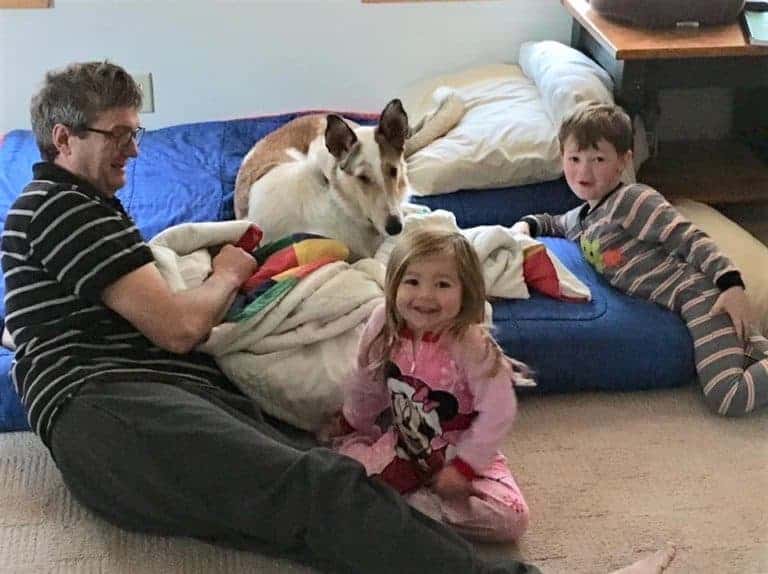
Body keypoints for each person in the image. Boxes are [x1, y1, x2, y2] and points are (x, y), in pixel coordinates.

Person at [0, 60, 675, 574]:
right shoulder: (60, 206)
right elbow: (178, 327)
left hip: (143, 402)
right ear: (63, 138)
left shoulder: (82, 208)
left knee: (323, 484)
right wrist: (233, 270)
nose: (135, 150)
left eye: (137, 133)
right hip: (111, 411)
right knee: (320, 487)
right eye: (119, 135)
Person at [511, 101, 768, 417]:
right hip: (678, 305)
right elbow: (552, 222)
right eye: (574, 158)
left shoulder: (631, 199)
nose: (583, 170)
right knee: (753, 350)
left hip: (700, 297)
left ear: (623, 162)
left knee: (728, 396)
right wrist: (524, 227)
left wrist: (731, 285)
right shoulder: (582, 216)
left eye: (598, 159)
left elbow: (689, 237)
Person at [323, 227, 533, 543]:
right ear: (394, 285)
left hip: (460, 455)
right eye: (412, 281)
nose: (425, 295)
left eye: (443, 284)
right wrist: (352, 422)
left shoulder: (472, 344)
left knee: (511, 519)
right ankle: (405, 505)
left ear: (466, 291)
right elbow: (367, 379)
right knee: (340, 474)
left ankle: (407, 508)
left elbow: (499, 411)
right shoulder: (383, 323)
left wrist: (465, 466)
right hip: (404, 445)